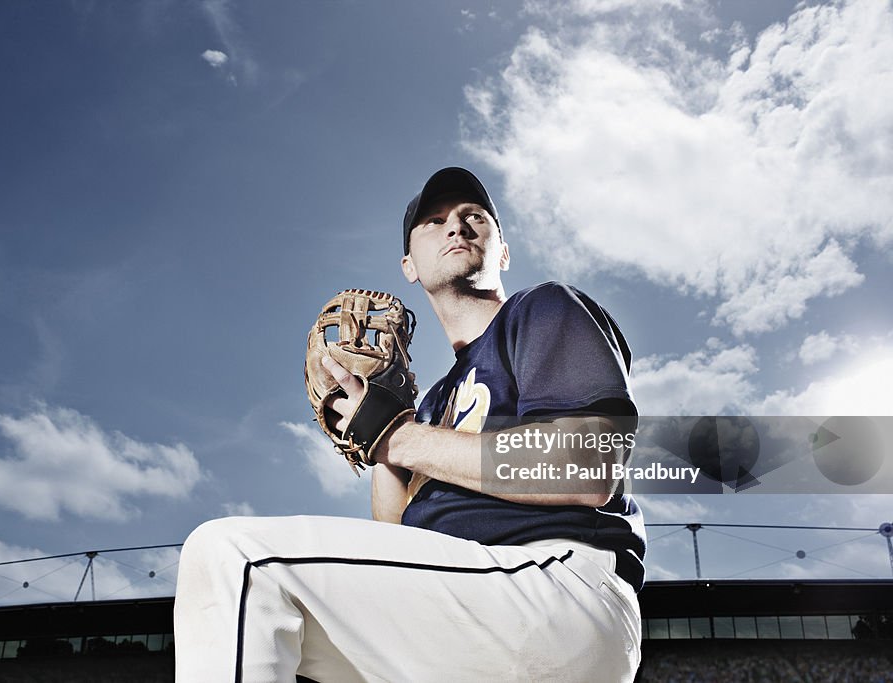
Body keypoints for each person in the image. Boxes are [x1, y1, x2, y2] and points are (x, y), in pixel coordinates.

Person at [174, 167, 646, 682]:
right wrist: (383, 437)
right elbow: (395, 541)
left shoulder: (541, 310)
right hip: (468, 608)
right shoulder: (432, 403)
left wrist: (398, 434)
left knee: (235, 560)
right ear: (408, 266)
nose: (456, 227)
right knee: (280, 632)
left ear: (503, 252)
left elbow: (585, 466)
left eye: (473, 217)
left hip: (556, 585)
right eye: (435, 221)